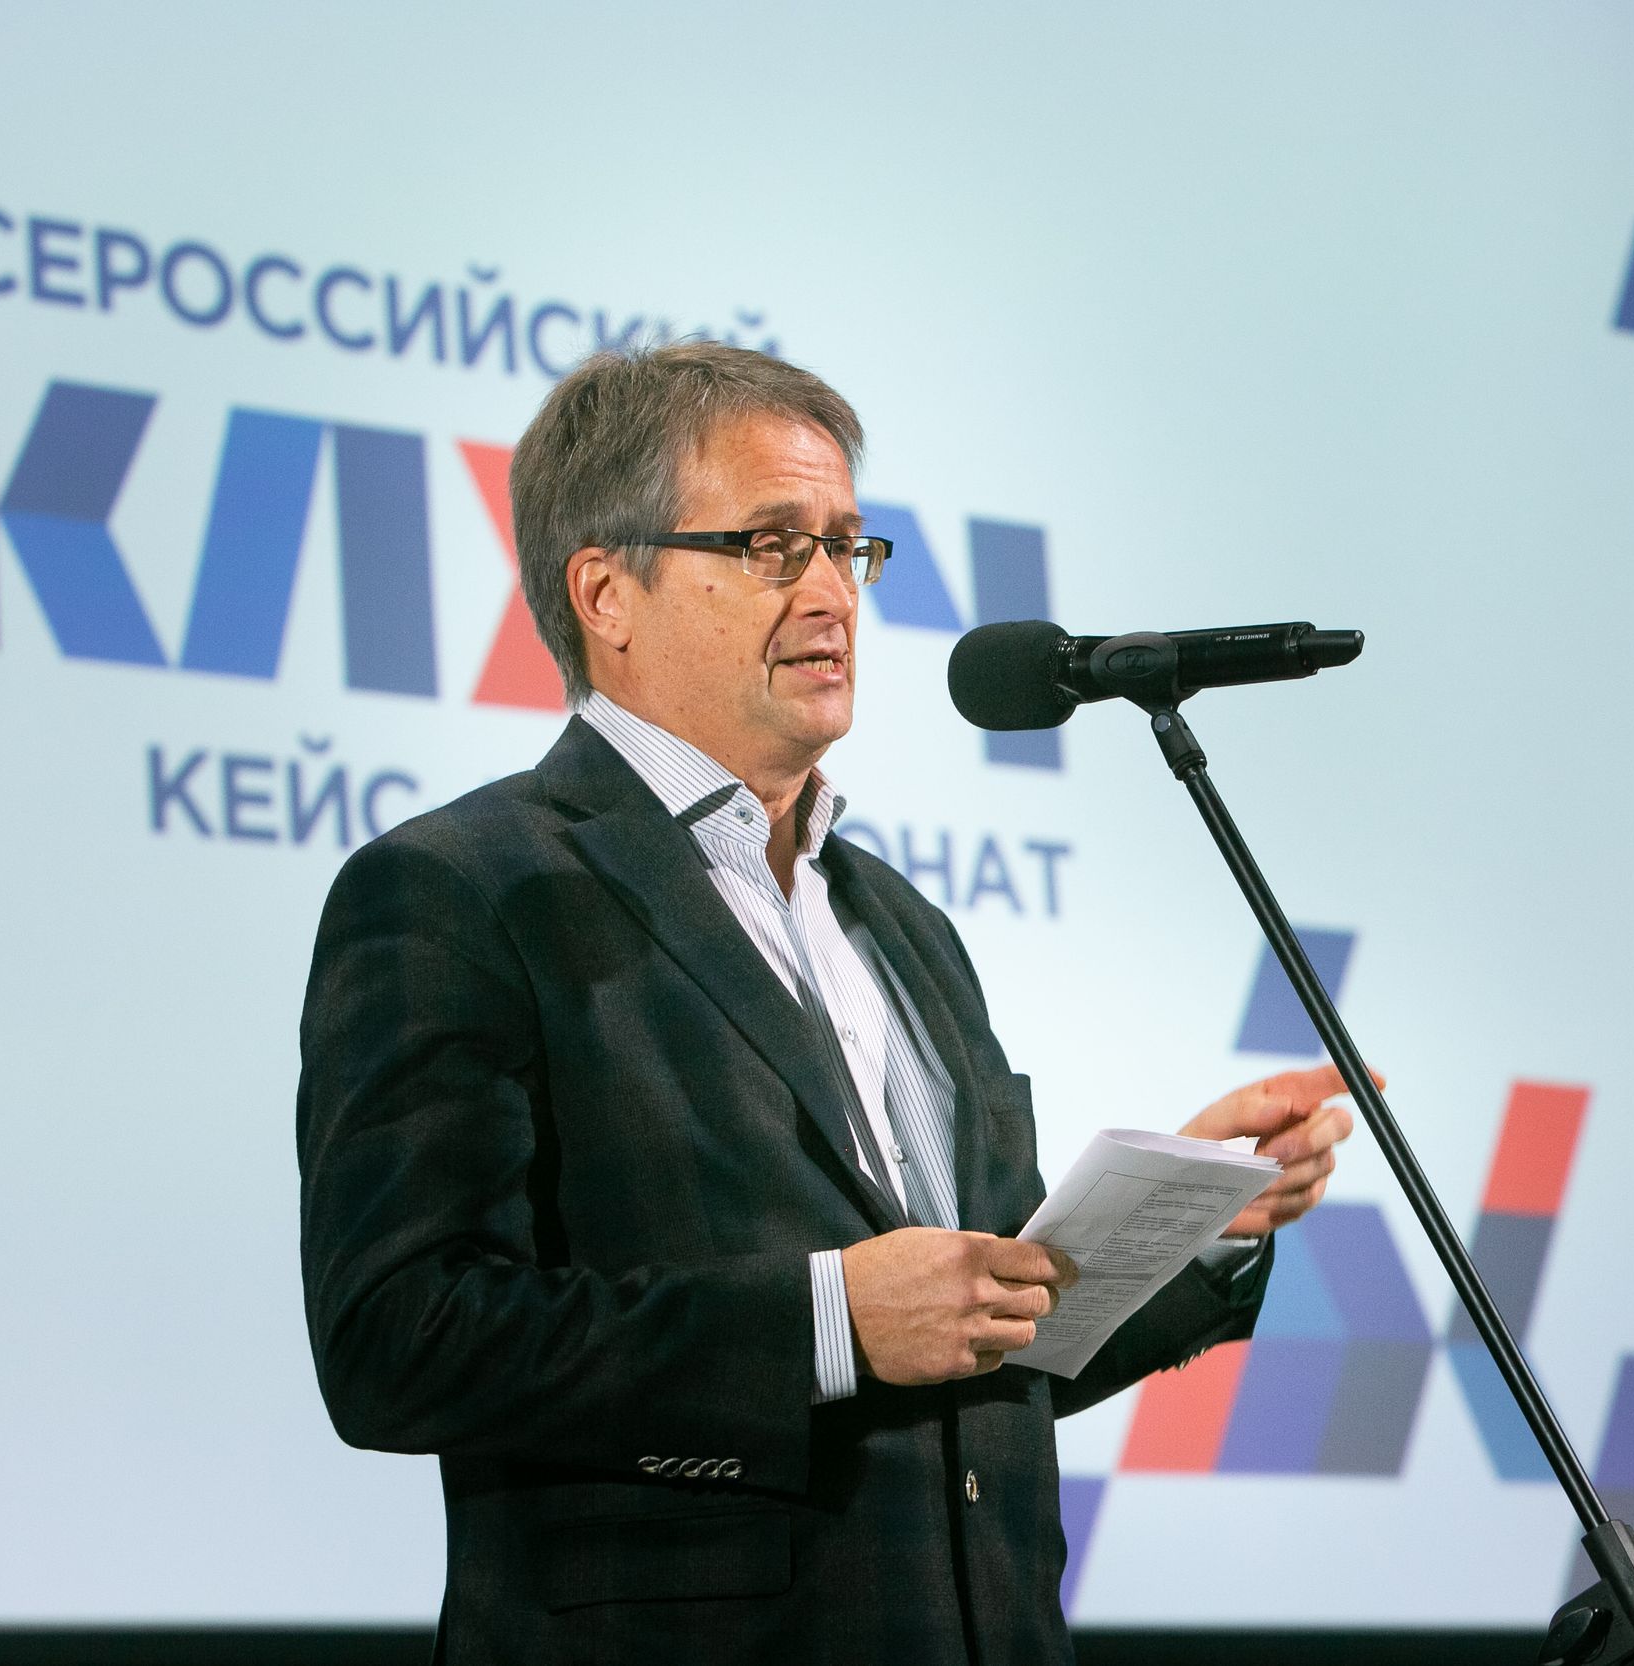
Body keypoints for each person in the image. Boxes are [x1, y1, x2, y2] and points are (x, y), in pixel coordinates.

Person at [296, 342, 1356, 1663]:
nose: (830, 593)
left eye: (847, 547)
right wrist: (828, 1322)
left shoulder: (904, 925)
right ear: (606, 592)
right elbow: (400, 1339)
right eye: (770, 546)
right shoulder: (464, 889)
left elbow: (975, 1346)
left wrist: (1181, 1223)